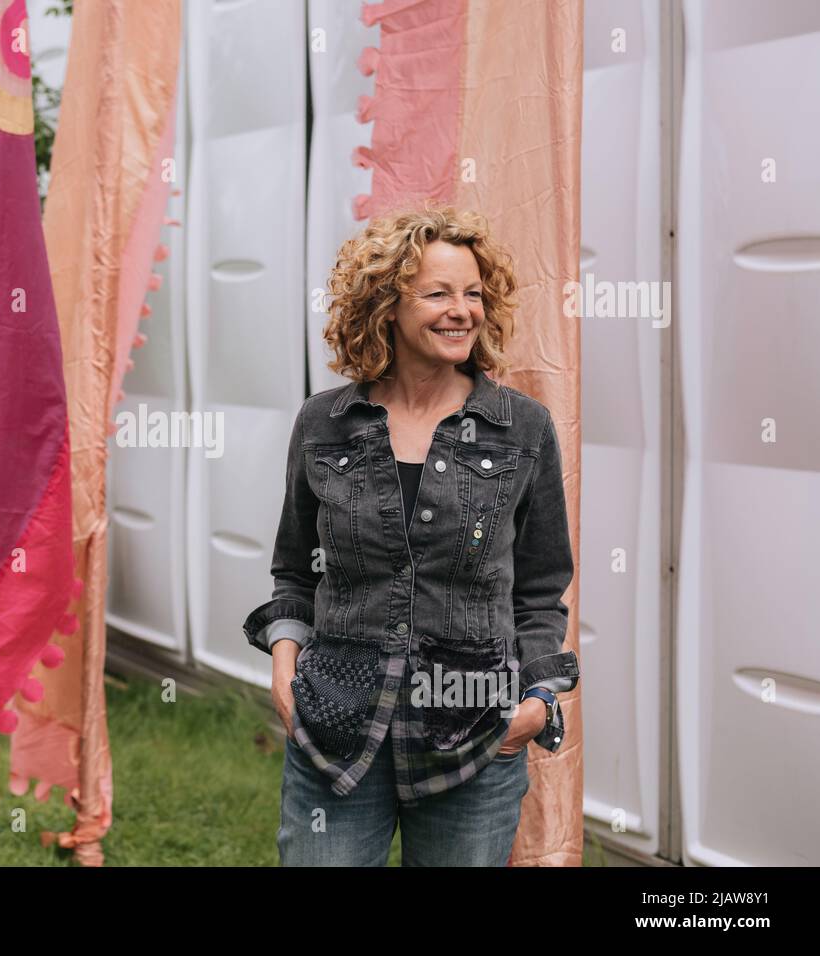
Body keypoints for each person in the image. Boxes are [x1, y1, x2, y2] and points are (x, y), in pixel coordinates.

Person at [242, 205, 579, 866]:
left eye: (474, 294)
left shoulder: (522, 429)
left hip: (474, 737)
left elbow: (541, 591)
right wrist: (285, 673)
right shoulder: (324, 423)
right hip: (336, 734)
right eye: (439, 294)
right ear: (386, 305)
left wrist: (537, 703)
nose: (463, 310)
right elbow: (294, 571)